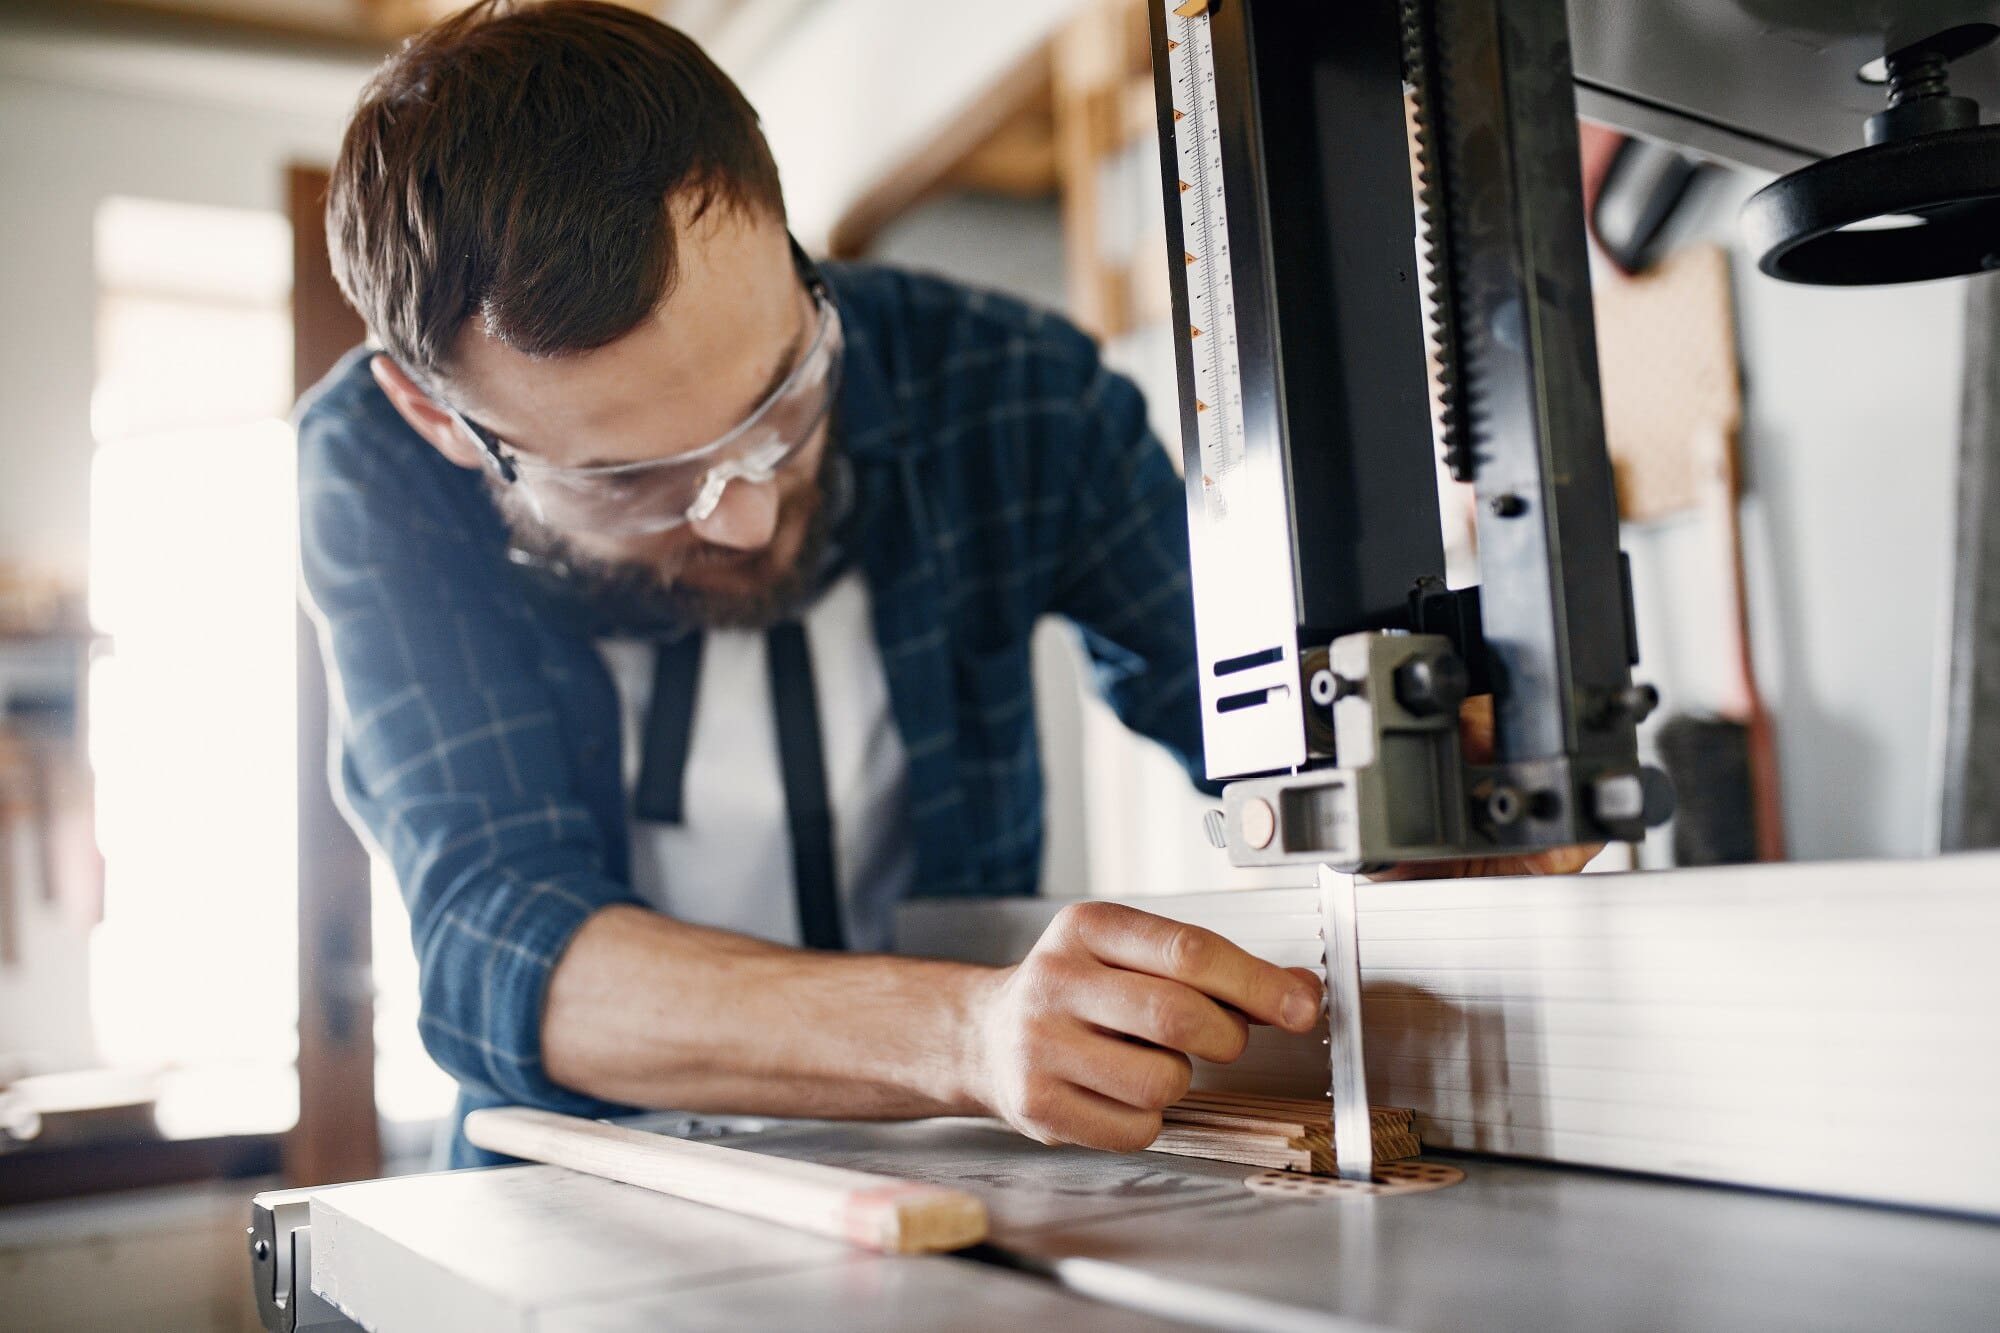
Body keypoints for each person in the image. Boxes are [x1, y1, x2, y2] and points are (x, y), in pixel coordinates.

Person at [299, 0, 1586, 1168]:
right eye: (636, 481)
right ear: (434, 412)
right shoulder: (374, 473)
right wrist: (962, 1035)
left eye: (780, 402)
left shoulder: (1010, 387)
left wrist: (1442, 802)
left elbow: (1259, 721)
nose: (744, 517)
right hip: (582, 1181)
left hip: (964, 1166)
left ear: (782, 234)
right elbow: (495, 947)